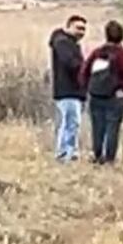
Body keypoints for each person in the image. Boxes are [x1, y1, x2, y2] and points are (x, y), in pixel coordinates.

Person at [79, 20, 123, 163]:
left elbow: (84, 72)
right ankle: (109, 158)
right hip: (115, 97)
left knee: (97, 127)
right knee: (112, 127)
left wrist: (88, 88)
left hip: (95, 96)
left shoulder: (97, 53)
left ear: (106, 35)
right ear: (122, 36)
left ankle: (97, 155)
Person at [49, 14, 87, 162]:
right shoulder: (63, 43)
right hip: (67, 90)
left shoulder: (67, 43)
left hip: (72, 90)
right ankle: (65, 153)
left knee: (70, 122)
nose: (81, 32)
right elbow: (71, 64)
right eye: (78, 28)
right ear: (68, 26)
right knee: (71, 122)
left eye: (83, 29)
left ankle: (69, 152)